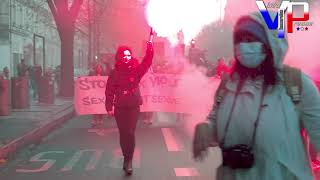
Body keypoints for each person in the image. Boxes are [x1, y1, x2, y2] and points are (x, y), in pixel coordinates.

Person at [192, 11, 320, 180]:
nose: (243, 46)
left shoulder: (296, 84)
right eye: (239, 40)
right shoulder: (228, 84)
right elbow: (216, 120)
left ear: (270, 44)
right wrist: (207, 127)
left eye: (250, 39)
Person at [105, 41, 153, 175]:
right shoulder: (115, 73)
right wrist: (109, 106)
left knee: (130, 133)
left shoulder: (136, 70)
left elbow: (147, 62)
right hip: (120, 107)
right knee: (123, 133)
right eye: (124, 55)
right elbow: (109, 90)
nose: (127, 57)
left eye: (129, 55)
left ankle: (129, 160)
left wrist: (150, 48)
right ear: (119, 57)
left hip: (133, 106)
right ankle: (126, 157)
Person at [90, 63, 105, 129]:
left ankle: (100, 119)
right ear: (96, 69)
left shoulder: (104, 75)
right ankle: (94, 120)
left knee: (101, 107)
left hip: (101, 94)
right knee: (94, 107)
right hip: (95, 93)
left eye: (100, 68)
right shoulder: (92, 75)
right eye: (97, 68)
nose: (99, 69)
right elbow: (87, 80)